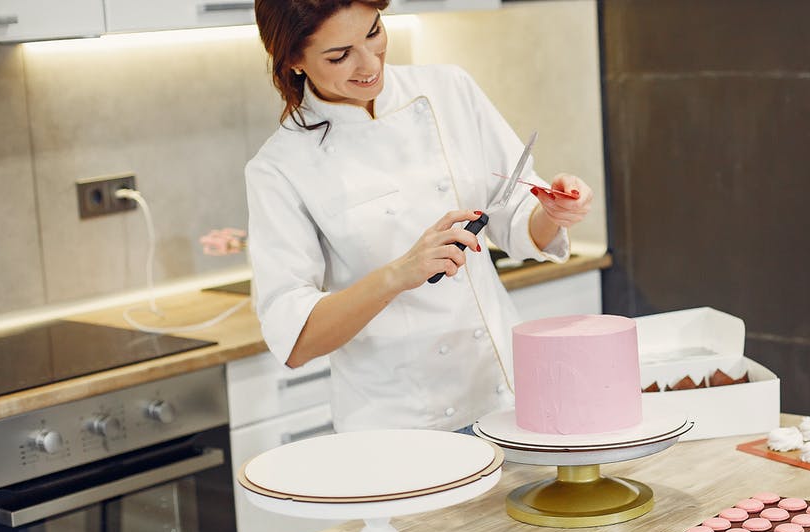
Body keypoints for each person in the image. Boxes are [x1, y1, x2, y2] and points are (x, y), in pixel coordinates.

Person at [247, 0, 593, 433]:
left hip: (506, 398)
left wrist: (552, 210)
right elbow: (296, 340)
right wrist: (399, 274)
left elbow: (512, 213)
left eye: (374, 32)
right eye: (340, 55)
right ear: (294, 59)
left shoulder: (448, 89)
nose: (370, 63)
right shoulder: (279, 168)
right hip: (401, 428)